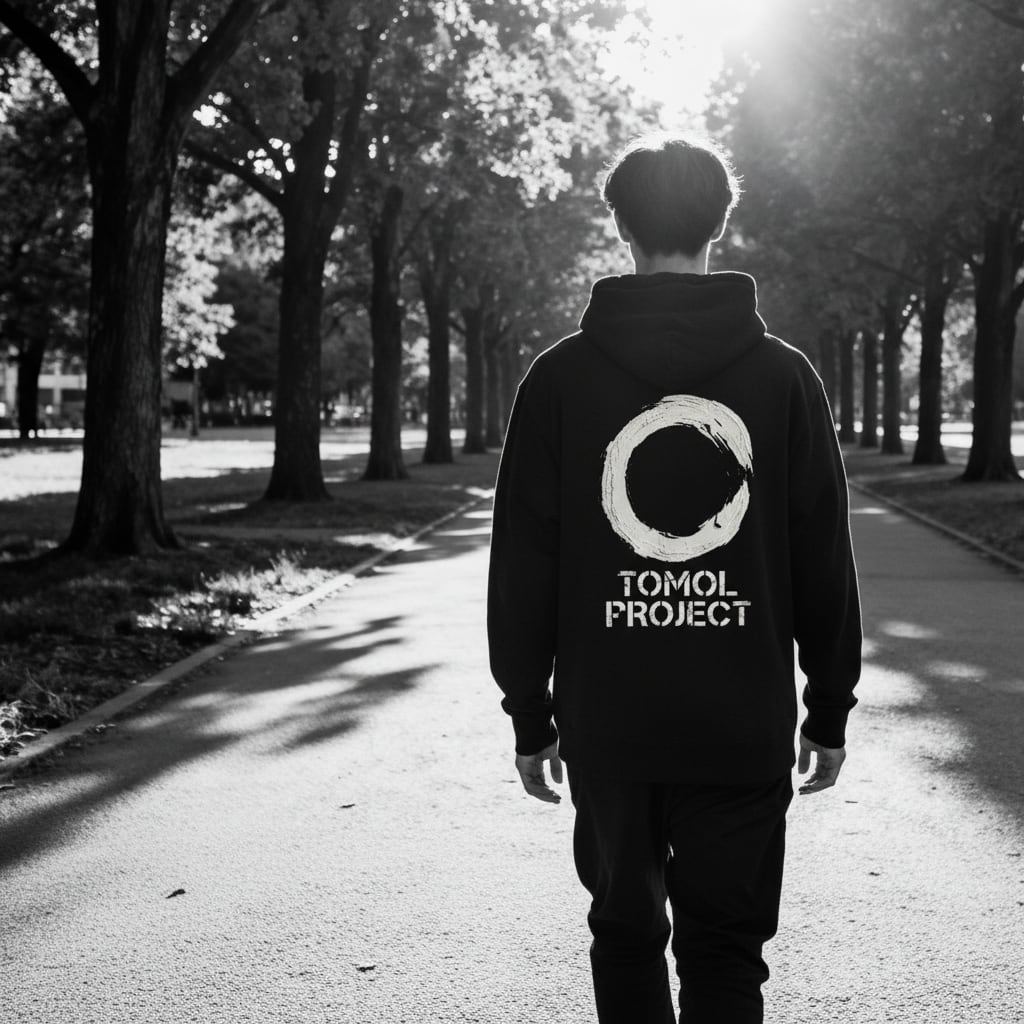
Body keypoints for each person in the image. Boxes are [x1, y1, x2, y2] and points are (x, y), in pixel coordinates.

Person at [486, 132, 862, 1024]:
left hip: (608, 723)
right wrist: (829, 706)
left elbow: (524, 562)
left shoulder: (557, 381)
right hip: (741, 723)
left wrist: (530, 714)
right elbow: (823, 556)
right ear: (719, 225)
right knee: (726, 952)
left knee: (624, 937)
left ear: (620, 227)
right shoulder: (785, 379)